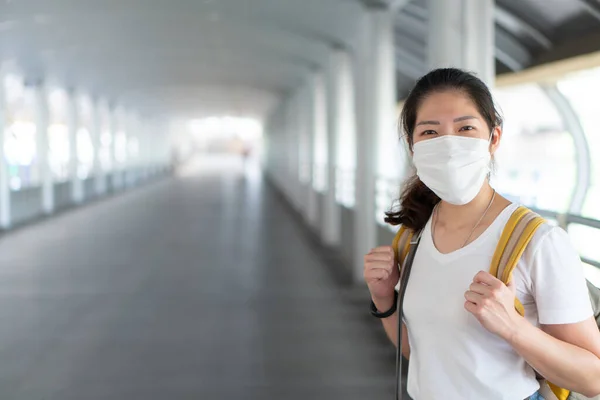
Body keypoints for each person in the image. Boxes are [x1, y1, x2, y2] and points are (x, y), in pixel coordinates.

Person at [363, 68, 600, 400]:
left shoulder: (538, 242)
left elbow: (594, 378)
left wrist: (513, 327)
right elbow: (420, 355)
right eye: (430, 132)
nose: (448, 145)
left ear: (494, 139)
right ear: (412, 146)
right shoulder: (413, 237)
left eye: (465, 128)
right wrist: (384, 298)